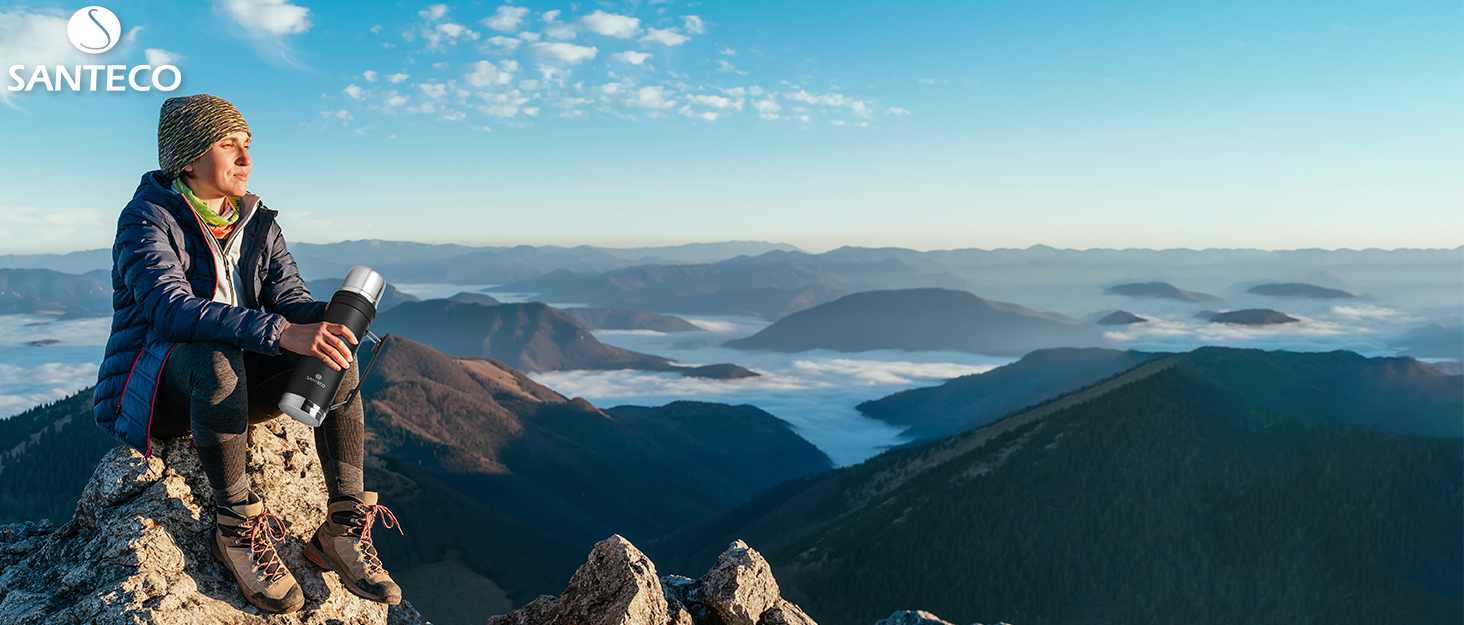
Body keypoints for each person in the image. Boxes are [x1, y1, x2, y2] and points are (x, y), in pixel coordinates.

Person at [92, 94, 403, 614]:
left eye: (248, 145)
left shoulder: (258, 221)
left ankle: (343, 527)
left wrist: (338, 316)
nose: (245, 158)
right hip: (161, 388)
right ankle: (236, 528)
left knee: (336, 357)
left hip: (237, 376)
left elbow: (291, 301)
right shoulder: (146, 219)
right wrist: (283, 332)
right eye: (228, 144)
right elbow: (171, 311)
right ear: (188, 159)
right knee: (216, 359)